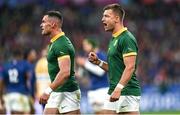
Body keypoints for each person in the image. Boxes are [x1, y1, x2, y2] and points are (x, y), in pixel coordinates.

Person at [88, 3, 141, 114]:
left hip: (127, 92)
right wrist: (98, 62)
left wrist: (119, 88)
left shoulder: (126, 38)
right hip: (114, 90)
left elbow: (130, 67)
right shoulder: (114, 39)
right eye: (103, 16)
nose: (102, 19)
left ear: (117, 18)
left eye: (106, 16)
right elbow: (114, 68)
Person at [39, 10, 81, 114]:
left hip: (68, 92)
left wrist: (48, 90)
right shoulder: (55, 42)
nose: (41, 25)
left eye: (44, 22)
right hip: (58, 90)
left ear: (53, 24)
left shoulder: (61, 43)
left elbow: (65, 72)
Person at [76, 38, 109, 114]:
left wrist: (84, 63)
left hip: (102, 89)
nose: (84, 47)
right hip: (92, 90)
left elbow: (101, 72)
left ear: (92, 45)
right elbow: (81, 74)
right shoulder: (88, 57)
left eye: (86, 45)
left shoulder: (101, 55)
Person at [0, 49, 32, 114]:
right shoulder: (25, 64)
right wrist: (29, 93)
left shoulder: (5, 65)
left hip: (8, 94)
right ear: (21, 56)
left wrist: (1, 96)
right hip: (21, 94)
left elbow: (1, 81)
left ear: (12, 56)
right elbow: (29, 78)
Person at [34, 47, 50, 114]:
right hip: (49, 93)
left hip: (40, 93)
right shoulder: (51, 63)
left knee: (43, 110)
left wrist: (36, 92)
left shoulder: (38, 63)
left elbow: (36, 80)